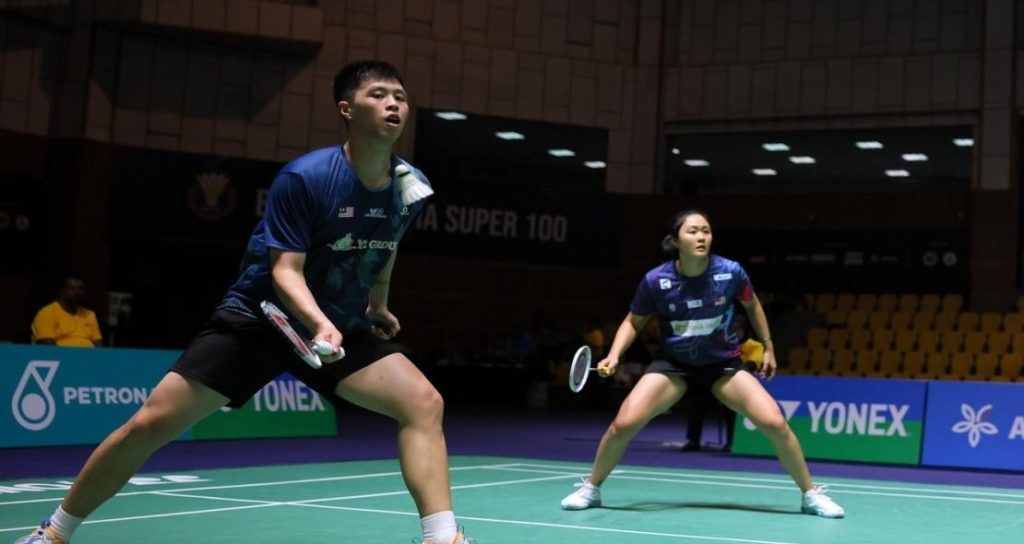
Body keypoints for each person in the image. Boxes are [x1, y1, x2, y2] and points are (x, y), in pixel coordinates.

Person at [15, 61, 475, 544]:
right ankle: (53, 533)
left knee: (422, 403)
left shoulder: (410, 185)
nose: (393, 104)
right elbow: (284, 271)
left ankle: (442, 538)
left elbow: (387, 241)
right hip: (261, 318)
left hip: (336, 326)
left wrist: (377, 302)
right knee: (148, 425)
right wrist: (318, 323)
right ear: (347, 109)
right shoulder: (306, 178)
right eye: (378, 95)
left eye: (399, 96)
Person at [559, 210, 844, 518]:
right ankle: (591, 488)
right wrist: (614, 355)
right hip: (674, 365)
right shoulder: (656, 280)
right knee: (623, 424)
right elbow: (633, 321)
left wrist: (768, 346)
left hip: (723, 365)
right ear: (676, 241)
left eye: (706, 231)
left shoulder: (730, 272)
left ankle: (810, 495)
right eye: (693, 231)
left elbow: (752, 304)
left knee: (774, 422)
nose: (701, 237)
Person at [31, 277, 103, 347]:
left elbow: (99, 346)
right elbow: (48, 347)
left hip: (89, 357)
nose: (77, 292)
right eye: (72, 288)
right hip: (60, 357)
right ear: (62, 291)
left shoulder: (90, 315)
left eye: (80, 288)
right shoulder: (46, 313)